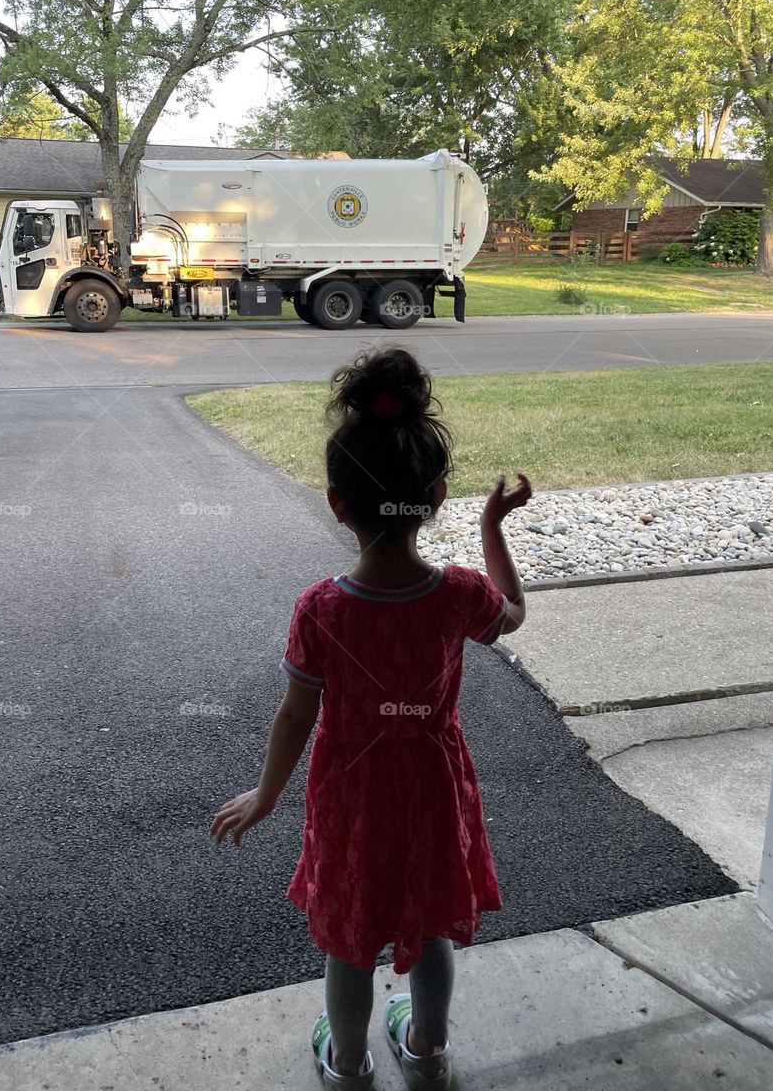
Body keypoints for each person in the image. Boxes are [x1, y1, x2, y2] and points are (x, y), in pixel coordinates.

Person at [211, 347, 531, 1090]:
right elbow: (512, 611)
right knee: (427, 923)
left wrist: (265, 796)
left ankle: (348, 1062)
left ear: (337, 502)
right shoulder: (458, 595)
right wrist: (494, 527)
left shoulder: (321, 610)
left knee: (351, 936)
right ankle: (424, 1047)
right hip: (432, 783)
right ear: (437, 495)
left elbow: (296, 715)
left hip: (351, 793)